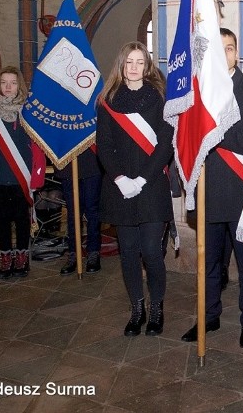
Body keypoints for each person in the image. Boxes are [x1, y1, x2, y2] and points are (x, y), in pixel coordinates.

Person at [181, 28, 243, 349]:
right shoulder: (197, 94)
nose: (225, 54)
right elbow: (188, 144)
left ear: (236, 54)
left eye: (229, 48)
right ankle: (208, 316)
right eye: (219, 49)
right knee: (209, 263)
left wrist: (218, 130)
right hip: (207, 192)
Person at [96, 42, 174, 337]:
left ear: (147, 66)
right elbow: (104, 145)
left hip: (151, 186)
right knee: (128, 252)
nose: (134, 67)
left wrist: (141, 180)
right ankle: (137, 308)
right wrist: (119, 179)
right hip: (120, 188)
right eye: (129, 62)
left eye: (139, 62)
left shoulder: (160, 98)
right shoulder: (108, 99)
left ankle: (157, 308)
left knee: (152, 251)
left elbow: (165, 144)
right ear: (121, 65)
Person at [0, 66, 45, 279]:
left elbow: (37, 146)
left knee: (22, 220)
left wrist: (37, 176)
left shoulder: (29, 110)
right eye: (4, 83)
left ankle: (22, 259)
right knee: (2, 221)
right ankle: (5, 260)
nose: (8, 87)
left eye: (12, 82)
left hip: (22, 175)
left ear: (19, 85)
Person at [57, 147, 103, 274]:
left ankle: (93, 252)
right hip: (68, 161)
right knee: (73, 213)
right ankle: (73, 252)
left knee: (92, 211)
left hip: (91, 160)